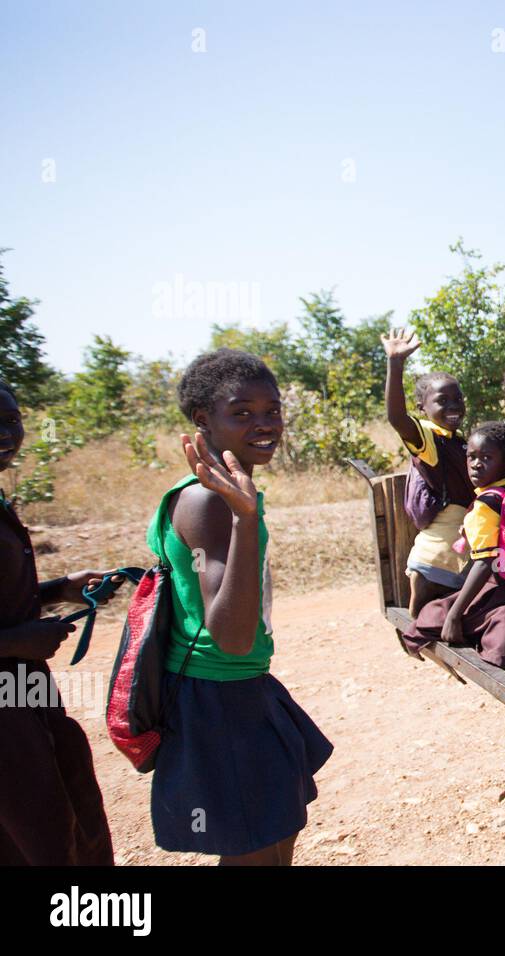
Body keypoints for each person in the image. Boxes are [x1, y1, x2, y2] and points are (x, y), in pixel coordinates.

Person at [154, 349, 333, 865]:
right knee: (255, 850)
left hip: (241, 685)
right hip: (216, 695)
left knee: (278, 832)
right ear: (203, 420)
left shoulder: (229, 494)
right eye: (243, 412)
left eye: (272, 409)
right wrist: (244, 520)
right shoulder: (208, 502)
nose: (265, 424)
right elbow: (231, 637)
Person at [0, 381, 117, 866]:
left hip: (24, 690)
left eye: (12, 419)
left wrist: (58, 589)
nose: (7, 433)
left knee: (66, 811)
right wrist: (13, 642)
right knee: (37, 829)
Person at [403, 422, 505, 668]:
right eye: (471, 457)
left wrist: (455, 615)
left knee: (435, 614)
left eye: (486, 457)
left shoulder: (485, 504)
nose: (476, 464)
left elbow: (483, 564)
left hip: (500, 584)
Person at [381, 328, 474, 615]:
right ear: (422, 408)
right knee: (423, 619)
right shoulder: (430, 439)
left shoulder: (457, 439)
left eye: (457, 399)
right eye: (442, 401)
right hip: (437, 553)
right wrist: (395, 365)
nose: (453, 406)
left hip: (458, 548)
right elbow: (397, 417)